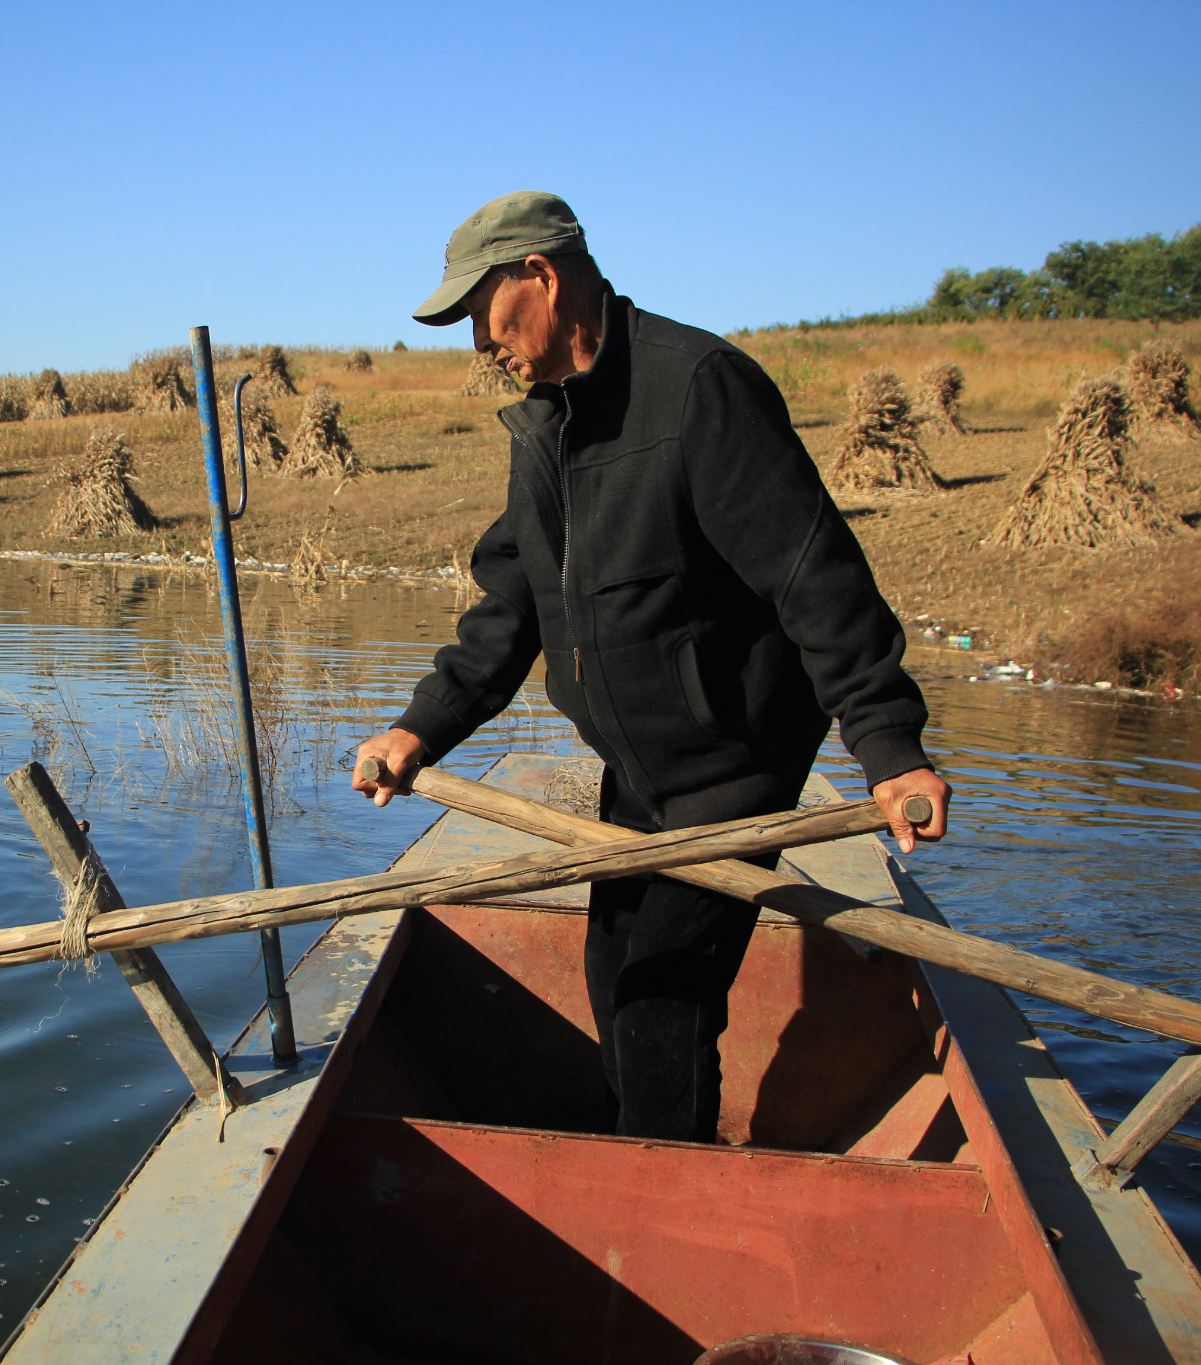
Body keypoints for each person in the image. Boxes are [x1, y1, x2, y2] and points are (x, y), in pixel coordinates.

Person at [351, 191, 952, 1144]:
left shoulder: (698, 388)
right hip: (639, 771)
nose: (476, 342)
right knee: (612, 974)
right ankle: (643, 1145)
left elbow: (816, 578)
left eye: (479, 310)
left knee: (661, 997)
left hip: (734, 762)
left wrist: (887, 746)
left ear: (540, 277)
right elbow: (511, 610)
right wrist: (418, 726)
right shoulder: (543, 430)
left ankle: (659, 1187)